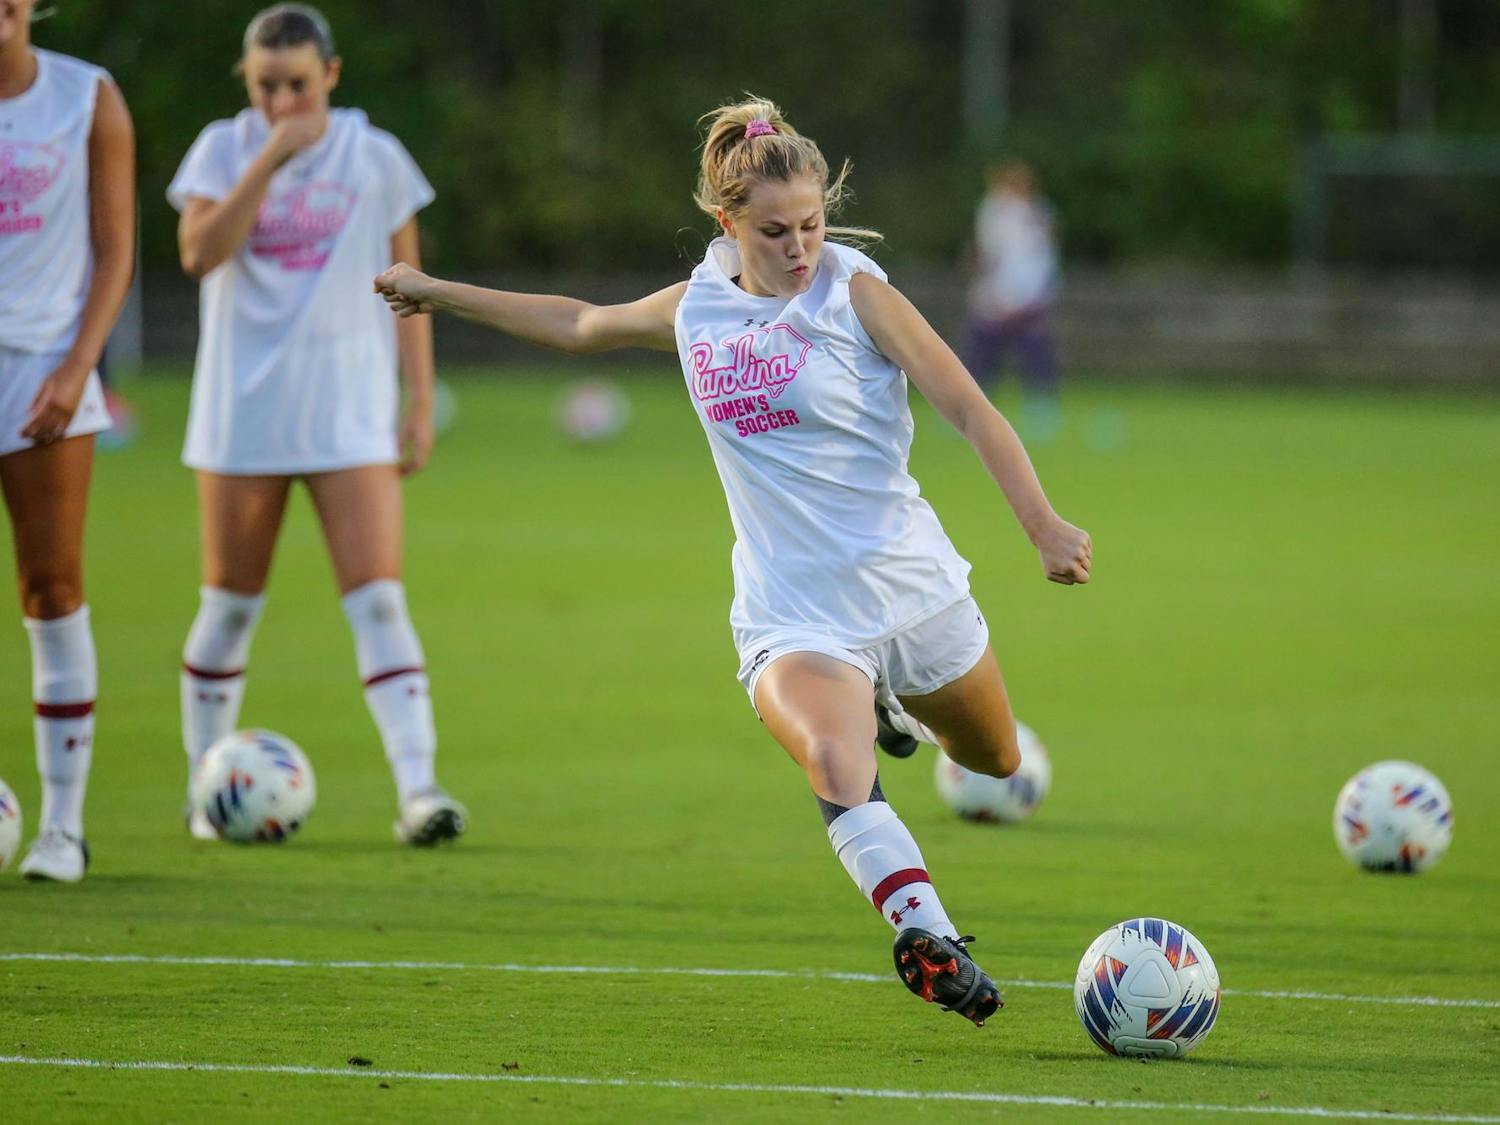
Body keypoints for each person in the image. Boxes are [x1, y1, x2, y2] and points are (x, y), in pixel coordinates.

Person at [374, 97, 1091, 1024]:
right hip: (793, 610)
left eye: (812, 225)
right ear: (728, 223)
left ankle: (890, 700)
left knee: (990, 756)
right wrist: (436, 292)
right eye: (775, 231)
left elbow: (969, 407)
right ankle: (929, 934)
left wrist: (1041, 524)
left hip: (910, 588)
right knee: (835, 758)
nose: (800, 247)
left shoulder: (857, 291)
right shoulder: (698, 306)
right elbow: (582, 324)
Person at [167, 3, 465, 845]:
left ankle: (419, 791)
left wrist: (417, 400)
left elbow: (413, 288)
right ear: (247, 82)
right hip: (241, 412)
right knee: (227, 609)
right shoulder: (224, 148)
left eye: (297, 84)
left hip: (346, 411)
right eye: (265, 85)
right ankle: (205, 793)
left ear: (330, 75)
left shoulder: (374, 156)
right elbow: (198, 254)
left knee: (378, 599)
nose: (281, 100)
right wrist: (269, 156)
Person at [0, 0, 135, 881]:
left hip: (43, 367)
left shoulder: (89, 97)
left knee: (52, 588)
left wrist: (79, 363)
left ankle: (62, 826)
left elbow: (116, 248)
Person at [965, 160, 1062, 437]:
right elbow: (989, 255)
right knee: (981, 353)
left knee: (1035, 352)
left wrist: (1027, 295)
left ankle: (1041, 409)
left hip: (1028, 297)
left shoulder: (1036, 214)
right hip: (995, 298)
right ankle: (972, 407)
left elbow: (1038, 259)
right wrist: (993, 293)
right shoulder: (992, 211)